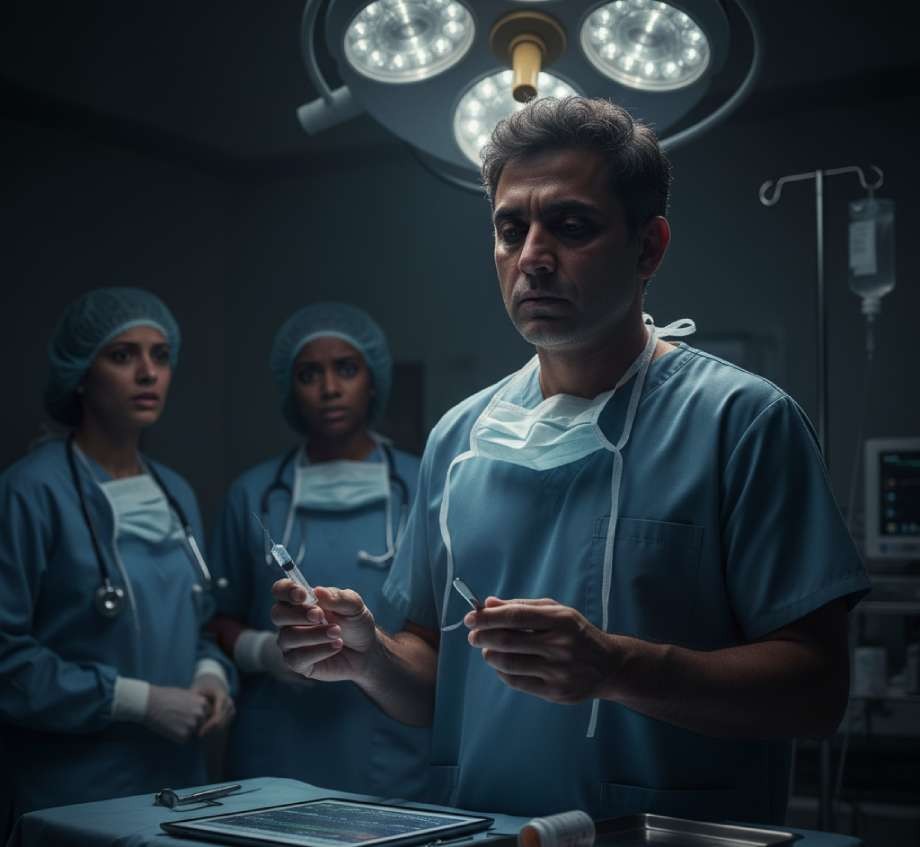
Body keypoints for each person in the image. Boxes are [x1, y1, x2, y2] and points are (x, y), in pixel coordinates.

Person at [269, 98, 869, 824]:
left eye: (571, 226)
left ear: (649, 248)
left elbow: (818, 689)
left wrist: (618, 667)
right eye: (510, 228)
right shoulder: (460, 439)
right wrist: (366, 656)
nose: (532, 258)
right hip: (490, 831)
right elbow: (436, 682)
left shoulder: (741, 424)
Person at [0, 287, 235, 833]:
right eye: (123, 355)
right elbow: (6, 661)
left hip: (178, 785)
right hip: (72, 792)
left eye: (160, 355)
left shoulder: (174, 492)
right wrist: (137, 702)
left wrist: (210, 677)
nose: (148, 373)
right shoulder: (31, 492)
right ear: (80, 371)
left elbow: (197, 624)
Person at [208, 302, 429, 798]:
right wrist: (264, 651)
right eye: (310, 373)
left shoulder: (424, 486)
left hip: (389, 749)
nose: (329, 388)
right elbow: (213, 619)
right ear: (291, 388)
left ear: (373, 380)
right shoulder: (254, 495)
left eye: (346, 369)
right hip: (276, 745)